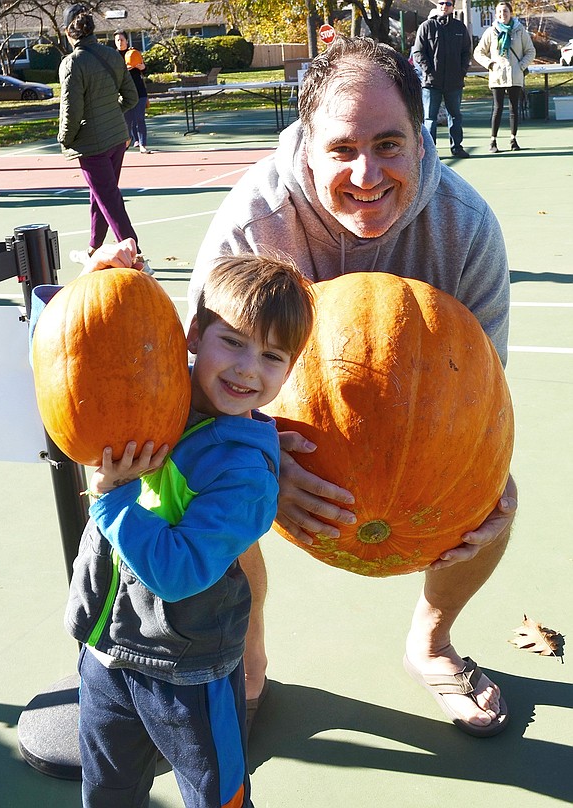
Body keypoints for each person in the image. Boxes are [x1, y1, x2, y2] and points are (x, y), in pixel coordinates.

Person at [189, 35, 518, 738]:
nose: (366, 172)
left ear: (423, 143)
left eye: (389, 144)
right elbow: (198, 394)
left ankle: (431, 643)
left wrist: (477, 479)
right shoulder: (253, 227)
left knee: (497, 497)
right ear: (307, 151)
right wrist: (266, 457)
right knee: (218, 473)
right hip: (275, 425)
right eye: (342, 149)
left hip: (415, 434)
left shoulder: (466, 231)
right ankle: (247, 666)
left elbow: (486, 401)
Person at [31, 242, 315, 807]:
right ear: (191, 336)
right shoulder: (158, 385)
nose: (245, 369)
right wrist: (94, 284)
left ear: (289, 370)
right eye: (231, 342)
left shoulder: (245, 474)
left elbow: (179, 572)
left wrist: (110, 502)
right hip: (106, 648)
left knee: (215, 793)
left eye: (272, 357)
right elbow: (68, 354)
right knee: (108, 788)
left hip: (189, 669)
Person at [58, 5, 152, 273]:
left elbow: (70, 108)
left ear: (68, 32)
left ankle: (137, 256)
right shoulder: (112, 55)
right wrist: (110, 114)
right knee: (100, 195)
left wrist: (65, 137)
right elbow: (131, 97)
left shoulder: (72, 62)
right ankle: (93, 248)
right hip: (116, 138)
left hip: (92, 144)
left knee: (108, 197)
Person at [412, 1, 472, 158]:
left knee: (455, 116)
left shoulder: (460, 28)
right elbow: (418, 52)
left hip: (454, 82)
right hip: (431, 83)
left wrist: (461, 71)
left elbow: (466, 52)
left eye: (448, 3)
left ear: (452, 6)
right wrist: (428, 71)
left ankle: (457, 147)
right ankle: (430, 152)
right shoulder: (426, 26)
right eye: (441, 3)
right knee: (429, 118)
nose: (444, 6)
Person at [474, 2, 536, 153]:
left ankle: (513, 139)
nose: (503, 14)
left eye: (506, 11)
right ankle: (493, 141)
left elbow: (530, 51)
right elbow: (478, 52)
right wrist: (489, 64)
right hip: (498, 76)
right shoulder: (491, 31)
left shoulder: (519, 30)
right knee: (498, 108)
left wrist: (521, 66)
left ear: (511, 13)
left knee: (514, 108)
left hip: (515, 75)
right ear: (496, 14)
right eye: (500, 12)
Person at [114, 30, 151, 154]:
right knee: (127, 121)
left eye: (122, 40)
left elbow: (145, 71)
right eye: (117, 40)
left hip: (139, 90)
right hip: (123, 93)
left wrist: (143, 68)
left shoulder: (133, 53)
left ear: (126, 41)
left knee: (140, 118)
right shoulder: (113, 57)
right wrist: (124, 69)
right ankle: (126, 143)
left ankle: (143, 144)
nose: (120, 42)